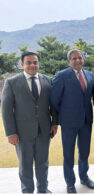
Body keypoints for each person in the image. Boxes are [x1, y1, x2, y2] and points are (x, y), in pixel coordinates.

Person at [1, 52, 58, 193]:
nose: (32, 65)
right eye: (28, 62)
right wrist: (11, 133)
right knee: (25, 164)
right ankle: (27, 191)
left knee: (43, 163)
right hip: (22, 132)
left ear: (39, 64)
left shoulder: (48, 81)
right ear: (22, 64)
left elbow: (54, 105)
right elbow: (6, 110)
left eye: (35, 62)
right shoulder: (12, 82)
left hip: (44, 130)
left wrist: (54, 123)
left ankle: (43, 189)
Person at [51, 49, 94, 193]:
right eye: (74, 58)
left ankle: (84, 177)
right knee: (68, 153)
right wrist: (58, 120)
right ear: (69, 61)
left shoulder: (89, 74)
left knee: (84, 152)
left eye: (80, 57)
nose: (77, 60)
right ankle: (70, 182)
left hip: (86, 121)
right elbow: (54, 100)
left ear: (83, 59)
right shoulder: (61, 76)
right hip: (69, 122)